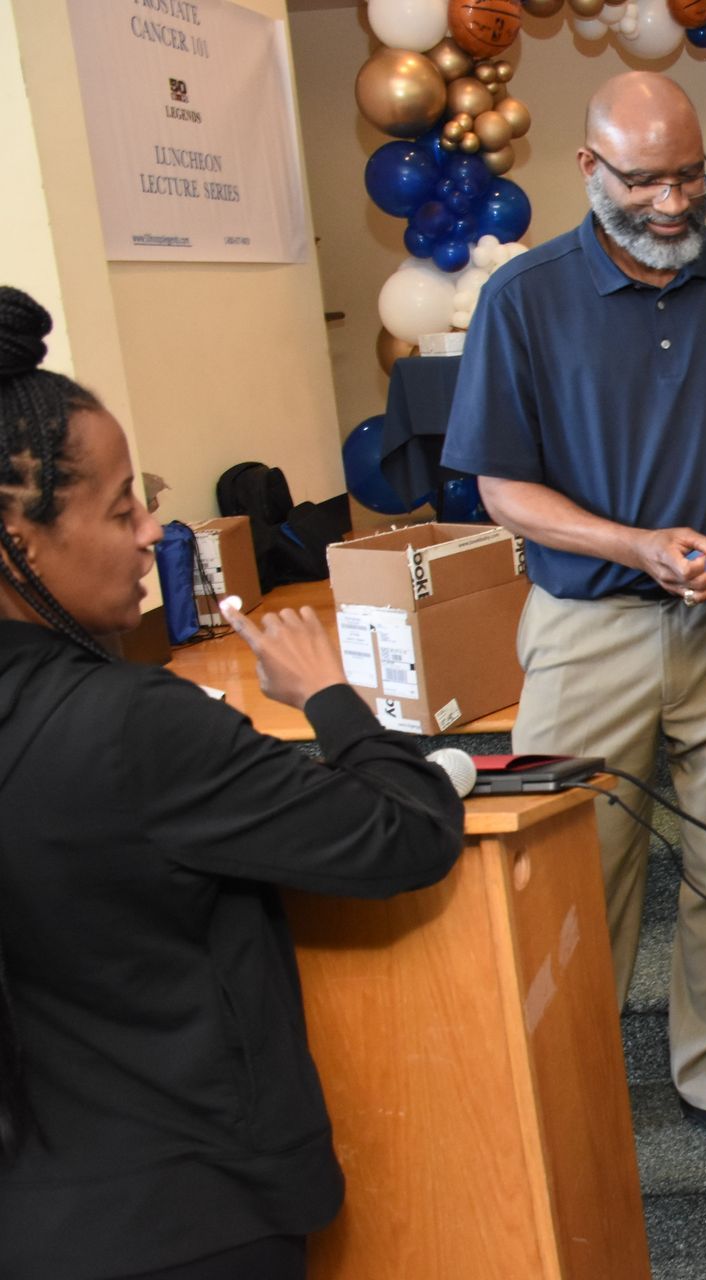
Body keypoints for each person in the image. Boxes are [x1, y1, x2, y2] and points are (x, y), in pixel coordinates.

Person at [0, 287, 465, 1278]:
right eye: (123, 505)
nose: (148, 533)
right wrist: (334, 697)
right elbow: (407, 830)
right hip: (186, 1215)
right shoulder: (133, 727)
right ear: (20, 540)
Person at [439, 70, 706, 1168]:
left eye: (689, 178)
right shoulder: (523, 299)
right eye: (645, 181)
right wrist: (633, 544)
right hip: (588, 630)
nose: (672, 204)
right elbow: (501, 488)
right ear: (587, 168)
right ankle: (570, 1071)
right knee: (580, 865)